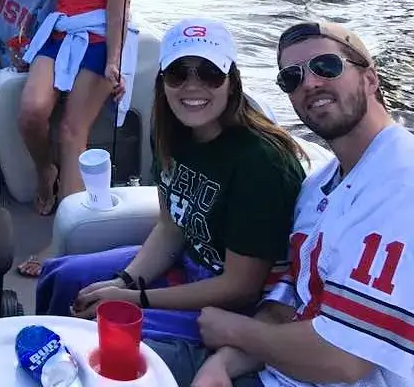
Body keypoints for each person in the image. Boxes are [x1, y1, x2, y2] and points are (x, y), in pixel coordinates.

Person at [155, 21, 414, 387]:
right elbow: (291, 296)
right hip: (270, 367)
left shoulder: (401, 186)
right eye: (291, 77)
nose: (309, 83)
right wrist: (225, 363)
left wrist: (236, 331)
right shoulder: (316, 189)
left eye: (327, 66)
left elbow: (342, 360)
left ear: (370, 79)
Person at [35, 18, 306, 350]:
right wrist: (125, 281)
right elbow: (170, 228)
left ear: (231, 82)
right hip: (189, 264)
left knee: (96, 330)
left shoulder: (262, 164)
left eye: (209, 73)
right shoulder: (169, 129)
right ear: (162, 81)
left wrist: (135, 298)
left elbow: (240, 287)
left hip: (241, 305)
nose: (192, 87)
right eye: (178, 74)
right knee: (61, 277)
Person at [16, 0, 135, 276]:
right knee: (31, 109)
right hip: (62, 32)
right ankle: (45, 169)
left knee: (71, 129)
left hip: (101, 38)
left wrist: (115, 61)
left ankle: (63, 238)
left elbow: (118, 12)